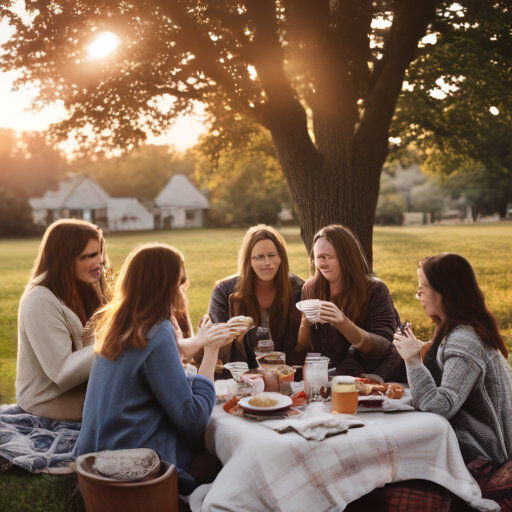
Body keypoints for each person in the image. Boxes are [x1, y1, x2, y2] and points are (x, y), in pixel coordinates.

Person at [77, 243, 232, 494]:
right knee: (218, 461)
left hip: (92, 461)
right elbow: (193, 420)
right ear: (166, 285)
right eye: (180, 280)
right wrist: (212, 351)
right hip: (132, 469)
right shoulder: (157, 331)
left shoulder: (118, 324)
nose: (185, 285)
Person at [393, 253, 512, 467]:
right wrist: (423, 350)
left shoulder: (465, 340)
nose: (417, 295)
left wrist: (411, 359)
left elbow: (439, 408)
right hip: (480, 440)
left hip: (489, 452)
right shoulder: (459, 331)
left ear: (445, 292)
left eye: (423, 288)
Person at [16, 219, 108, 421]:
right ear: (65, 259)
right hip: (48, 400)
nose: (100, 261)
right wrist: (116, 338)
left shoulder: (87, 287)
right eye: (90, 255)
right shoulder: (39, 301)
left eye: (100, 253)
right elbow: (63, 373)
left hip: (86, 387)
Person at [298, 224, 405, 381]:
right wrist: (305, 324)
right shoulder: (310, 288)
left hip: (378, 379)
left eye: (330, 257)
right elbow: (304, 347)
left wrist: (342, 322)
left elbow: (382, 346)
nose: (323, 264)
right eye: (319, 257)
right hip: (333, 379)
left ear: (347, 257)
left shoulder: (375, 289)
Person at [206, 224, 304, 368]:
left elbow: (302, 343)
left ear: (281, 257)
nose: (267, 262)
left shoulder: (298, 289)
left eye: (272, 255)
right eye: (259, 257)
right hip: (240, 374)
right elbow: (218, 343)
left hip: (287, 373)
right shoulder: (223, 291)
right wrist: (238, 327)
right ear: (249, 261)